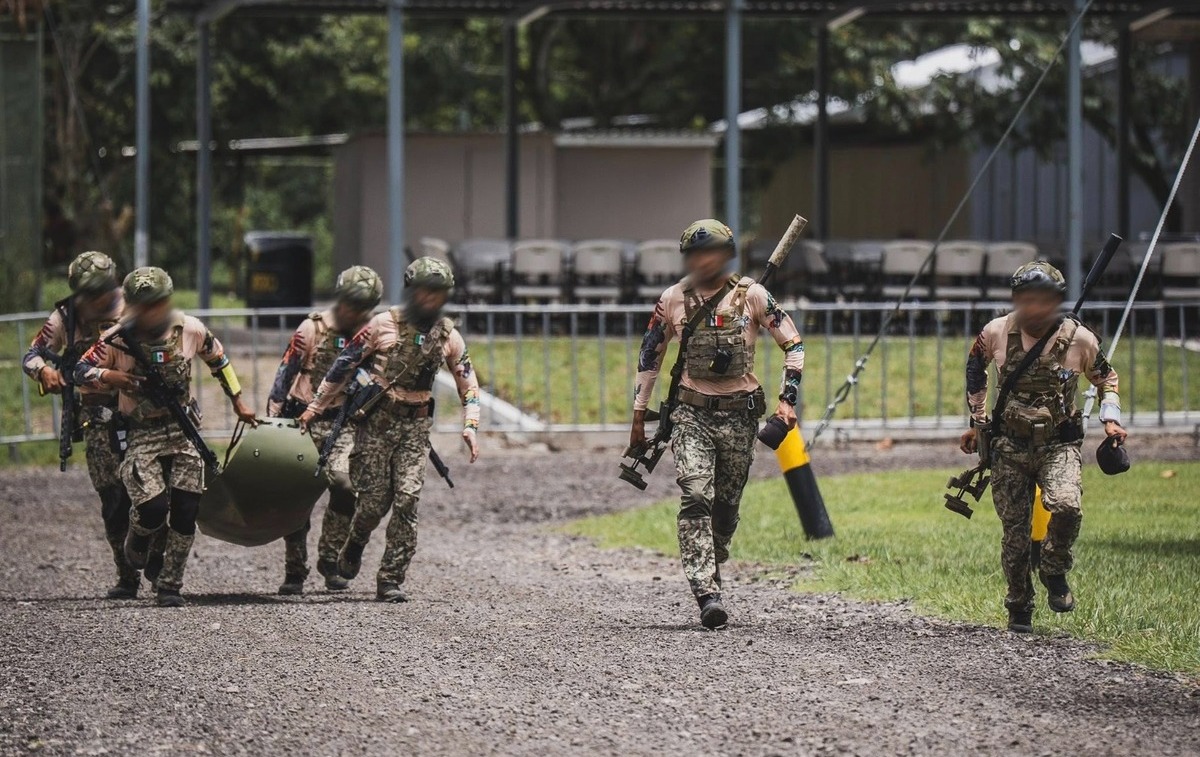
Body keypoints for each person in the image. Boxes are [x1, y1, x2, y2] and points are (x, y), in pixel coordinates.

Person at [629, 219, 805, 629]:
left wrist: (786, 402)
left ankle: (713, 555)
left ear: (726, 255)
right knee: (694, 495)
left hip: (740, 416)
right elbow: (649, 357)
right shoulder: (672, 299)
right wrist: (639, 414)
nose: (702, 261)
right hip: (692, 414)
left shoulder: (753, 296)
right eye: (694, 254)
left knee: (725, 510)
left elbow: (793, 345)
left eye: (709, 252)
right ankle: (707, 593)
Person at [299, 257, 480, 603]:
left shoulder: (448, 335)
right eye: (427, 293)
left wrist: (471, 425)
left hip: (415, 427)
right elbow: (342, 367)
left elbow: (468, 384)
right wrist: (315, 407)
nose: (432, 300)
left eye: (439, 294)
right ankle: (355, 542)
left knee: (408, 499)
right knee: (372, 504)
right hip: (377, 425)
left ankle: (390, 578)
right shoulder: (382, 325)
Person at [75, 266, 257, 607]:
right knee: (153, 508)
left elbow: (219, 360)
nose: (150, 312)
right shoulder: (115, 338)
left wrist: (239, 401)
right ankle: (139, 537)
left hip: (182, 429)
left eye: (156, 303)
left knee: (187, 508)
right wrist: (109, 375)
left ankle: (170, 585)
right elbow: (79, 371)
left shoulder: (188, 328)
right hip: (141, 433)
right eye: (141, 305)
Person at [960, 261, 1125, 634]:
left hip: (1058, 443)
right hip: (1009, 446)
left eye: (1045, 300)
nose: (1036, 308)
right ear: (1017, 300)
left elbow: (1106, 378)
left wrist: (1110, 418)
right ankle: (1019, 605)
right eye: (1028, 300)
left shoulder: (1080, 339)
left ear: (1056, 301)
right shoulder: (995, 332)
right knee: (1015, 535)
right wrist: (977, 419)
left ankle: (1054, 566)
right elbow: (975, 367)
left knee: (1067, 506)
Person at [23, 251, 138, 598]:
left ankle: (156, 559)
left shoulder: (133, 308)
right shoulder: (65, 317)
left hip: (139, 411)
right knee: (112, 497)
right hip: (96, 417)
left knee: (150, 492)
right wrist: (44, 370)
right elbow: (32, 354)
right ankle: (127, 574)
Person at [266, 265, 383, 595]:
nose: (356, 312)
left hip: (343, 423)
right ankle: (294, 570)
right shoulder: (312, 328)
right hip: (302, 421)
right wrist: (272, 422)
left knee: (345, 485)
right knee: (296, 497)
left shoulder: (373, 333)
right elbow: (284, 376)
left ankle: (330, 558)